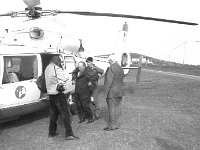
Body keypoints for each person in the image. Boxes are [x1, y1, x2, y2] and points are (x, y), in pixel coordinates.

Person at [45, 55, 79, 140]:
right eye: (60, 62)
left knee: (53, 114)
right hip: (58, 93)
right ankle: (69, 134)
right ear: (57, 62)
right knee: (65, 114)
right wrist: (61, 68)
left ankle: (51, 132)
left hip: (51, 94)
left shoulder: (47, 68)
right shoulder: (56, 68)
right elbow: (66, 77)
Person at [103, 54, 124, 131]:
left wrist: (105, 93)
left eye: (109, 60)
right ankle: (116, 124)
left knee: (112, 109)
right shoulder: (120, 67)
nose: (108, 62)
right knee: (117, 108)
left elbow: (108, 82)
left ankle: (112, 125)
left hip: (112, 92)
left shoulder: (111, 68)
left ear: (111, 60)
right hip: (120, 90)